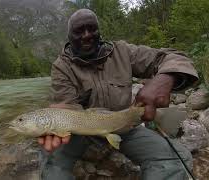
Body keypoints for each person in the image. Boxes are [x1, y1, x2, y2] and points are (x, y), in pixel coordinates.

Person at [38, 9, 199, 180]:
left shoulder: (123, 52)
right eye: (79, 31)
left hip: (124, 125)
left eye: (91, 28)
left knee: (176, 159)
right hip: (79, 132)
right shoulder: (61, 67)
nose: (86, 35)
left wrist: (165, 78)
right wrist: (55, 121)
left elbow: (175, 57)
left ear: (99, 31)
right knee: (51, 166)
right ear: (69, 36)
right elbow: (67, 106)